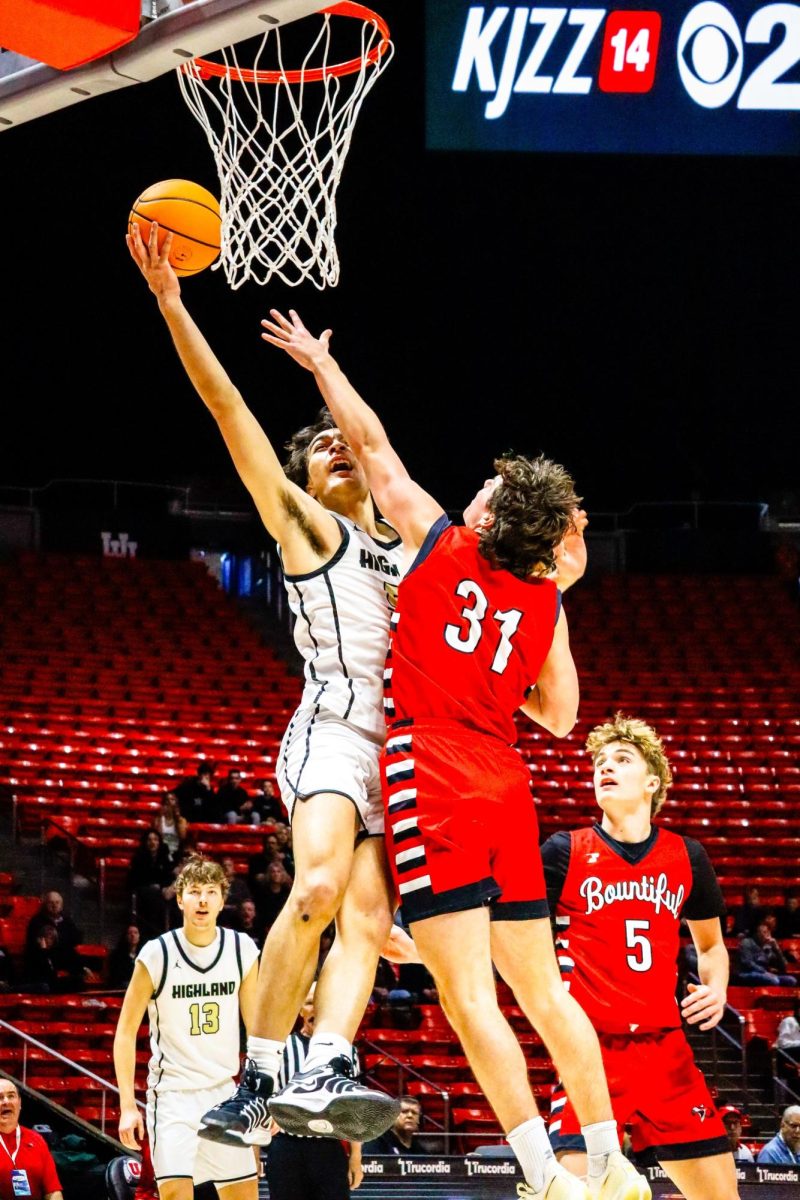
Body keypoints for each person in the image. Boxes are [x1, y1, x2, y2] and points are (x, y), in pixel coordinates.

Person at [259, 308, 648, 1200]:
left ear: (492, 513)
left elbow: (373, 441)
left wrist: (322, 364)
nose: (473, 486)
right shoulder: (543, 596)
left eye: (486, 486)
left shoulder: (442, 543)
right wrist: (554, 594)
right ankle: (612, 1157)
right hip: (507, 778)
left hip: (429, 768)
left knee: (467, 995)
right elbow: (561, 715)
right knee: (544, 994)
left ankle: (546, 1176)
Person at [128, 223, 404, 1150]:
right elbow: (229, 409)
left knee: (367, 915)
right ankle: (258, 1072)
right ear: (298, 479)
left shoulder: (411, 540)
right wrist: (174, 304)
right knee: (320, 885)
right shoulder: (305, 530)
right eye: (316, 446)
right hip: (330, 725)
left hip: (401, 749)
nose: (333, 446)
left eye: (343, 439)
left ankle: (327, 1056)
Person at [541, 715, 739, 1200]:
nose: (605, 768)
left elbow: (711, 946)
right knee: (578, 1194)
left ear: (653, 781)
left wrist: (716, 989)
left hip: (667, 1051)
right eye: (599, 763)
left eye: (621, 760)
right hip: (591, 1050)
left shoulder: (686, 855)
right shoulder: (563, 851)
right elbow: (509, 938)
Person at [113, 855, 261, 1199]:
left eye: (211, 892)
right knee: (176, 1194)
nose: (203, 900)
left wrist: (264, 1093)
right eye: (194, 892)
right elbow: (124, 1033)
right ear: (180, 899)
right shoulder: (156, 954)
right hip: (173, 1098)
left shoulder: (241, 949)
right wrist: (126, 1106)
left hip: (226, 1094)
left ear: (224, 901)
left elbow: (256, 1030)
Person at [265, 983, 362, 1199]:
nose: (316, 1009)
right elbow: (263, 1103)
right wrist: (252, 1155)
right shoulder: (281, 1047)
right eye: (310, 1003)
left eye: (322, 1004)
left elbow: (352, 1106)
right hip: (287, 1148)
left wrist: (356, 1156)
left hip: (329, 1147)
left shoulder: (346, 1051)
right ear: (300, 1009)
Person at [0, 1078, 63, 1200]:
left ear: (19, 1103)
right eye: (0, 1097)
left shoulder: (36, 1140)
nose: (6, 1102)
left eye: (11, 1096)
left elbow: (53, 1191)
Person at [362, 1096, 441, 1156]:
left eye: (414, 1113)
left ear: (419, 1120)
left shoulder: (419, 1150)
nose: (410, 1116)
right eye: (404, 1111)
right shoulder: (376, 1141)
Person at [736, 922, 798, 987]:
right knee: (774, 980)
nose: (767, 935)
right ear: (757, 934)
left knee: (791, 980)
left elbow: (784, 966)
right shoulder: (746, 942)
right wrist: (764, 971)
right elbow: (747, 963)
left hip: (765, 973)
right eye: (764, 932)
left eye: (768, 932)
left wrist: (776, 948)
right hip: (746, 973)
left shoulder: (768, 946)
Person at [108, 923, 143, 989]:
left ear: (139, 936)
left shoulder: (143, 954)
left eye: (136, 933)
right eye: (130, 933)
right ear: (125, 936)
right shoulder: (116, 955)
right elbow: (116, 976)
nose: (133, 935)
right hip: (122, 987)